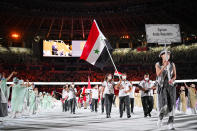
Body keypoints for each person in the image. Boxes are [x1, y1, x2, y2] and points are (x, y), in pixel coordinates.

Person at [155, 50, 177, 130]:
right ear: (161, 56)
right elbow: (158, 74)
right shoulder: (158, 64)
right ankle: (160, 118)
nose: (168, 55)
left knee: (172, 105)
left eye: (169, 54)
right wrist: (164, 66)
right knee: (164, 105)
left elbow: (175, 75)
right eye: (165, 54)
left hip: (170, 86)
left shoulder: (172, 64)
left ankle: (170, 123)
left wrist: (173, 79)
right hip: (162, 86)